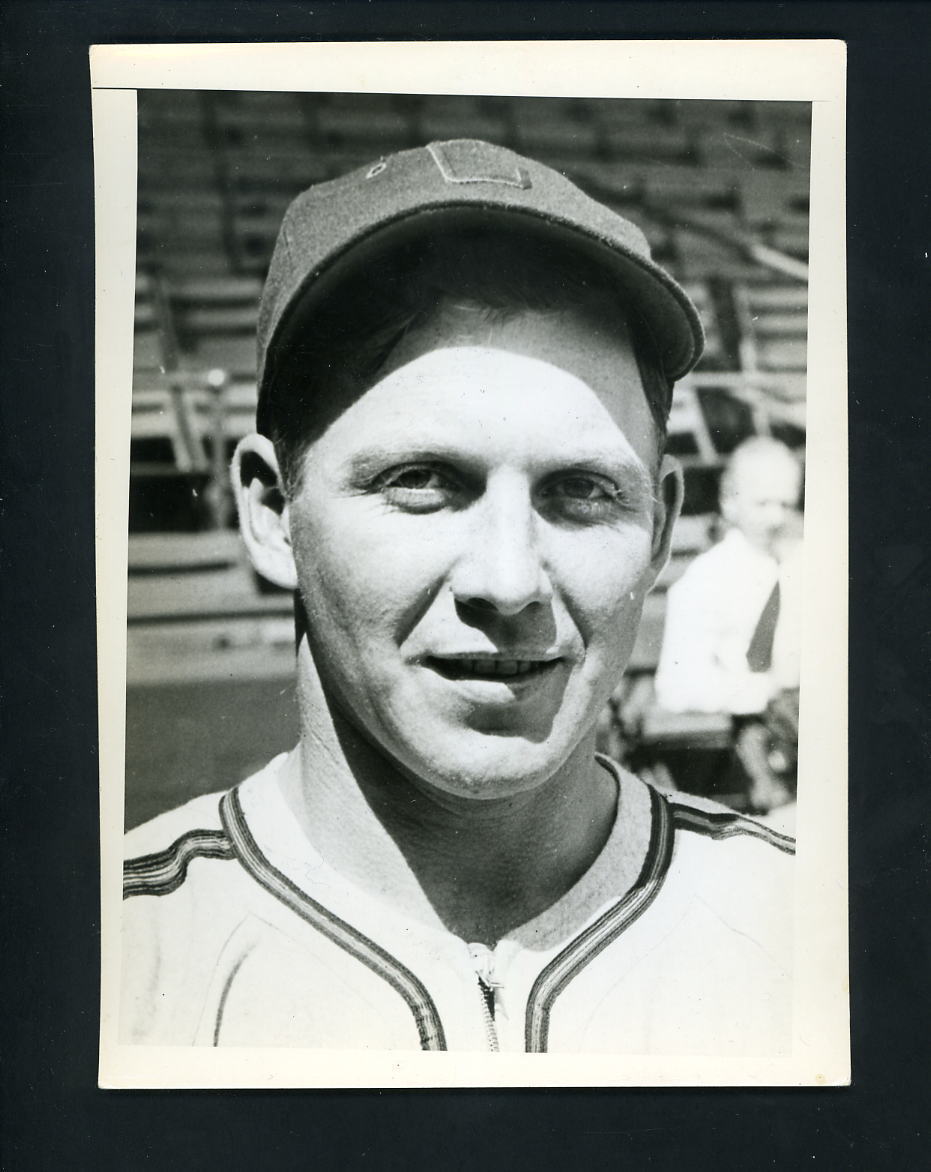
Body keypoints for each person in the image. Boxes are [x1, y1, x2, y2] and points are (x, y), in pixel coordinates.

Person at [121, 140, 794, 1054]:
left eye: (582, 492)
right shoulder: (109, 960)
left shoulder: (810, 935)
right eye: (422, 481)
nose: (508, 580)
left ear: (663, 525)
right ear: (274, 511)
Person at [654, 437, 804, 811]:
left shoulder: (802, 564)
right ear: (730, 501)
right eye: (763, 503)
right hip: (749, 734)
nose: (776, 518)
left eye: (786, 504)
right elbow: (676, 687)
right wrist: (761, 690)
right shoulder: (706, 580)